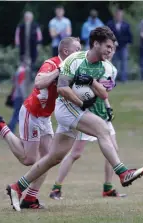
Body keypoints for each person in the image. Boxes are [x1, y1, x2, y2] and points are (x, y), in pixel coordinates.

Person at [0, 37, 82, 210]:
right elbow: (39, 82)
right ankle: (0, 126)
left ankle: (30, 199)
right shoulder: (52, 63)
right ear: (66, 52)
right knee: (29, 159)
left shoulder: (73, 69)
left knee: (49, 159)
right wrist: (58, 71)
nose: (80, 52)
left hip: (45, 117)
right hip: (31, 112)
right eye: (77, 49)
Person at [49, 45, 127, 199]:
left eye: (113, 48)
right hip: (86, 113)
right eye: (108, 47)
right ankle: (56, 188)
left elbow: (102, 92)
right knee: (75, 154)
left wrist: (108, 107)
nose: (110, 51)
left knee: (113, 149)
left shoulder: (111, 69)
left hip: (101, 115)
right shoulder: (88, 63)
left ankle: (108, 188)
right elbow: (82, 89)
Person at [15, 11, 43, 81]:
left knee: (32, 63)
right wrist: (17, 44)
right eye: (26, 17)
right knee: (23, 63)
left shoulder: (35, 26)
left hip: (33, 48)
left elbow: (39, 36)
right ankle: (23, 78)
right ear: (24, 18)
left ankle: (31, 78)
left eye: (29, 17)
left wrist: (38, 44)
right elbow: (17, 36)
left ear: (32, 18)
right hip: (23, 48)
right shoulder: (21, 26)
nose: (28, 19)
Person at [107, 9, 133, 83]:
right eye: (117, 15)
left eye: (120, 15)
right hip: (113, 47)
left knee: (124, 63)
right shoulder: (110, 24)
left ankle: (124, 79)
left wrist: (127, 43)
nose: (119, 17)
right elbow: (108, 35)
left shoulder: (126, 25)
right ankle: (114, 78)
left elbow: (129, 36)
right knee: (114, 63)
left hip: (123, 46)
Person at [7, 63, 28, 133]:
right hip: (19, 96)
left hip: (16, 95)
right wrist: (24, 97)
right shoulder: (22, 71)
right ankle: (10, 129)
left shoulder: (18, 70)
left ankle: (24, 130)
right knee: (17, 114)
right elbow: (21, 85)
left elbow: (14, 82)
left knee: (19, 114)